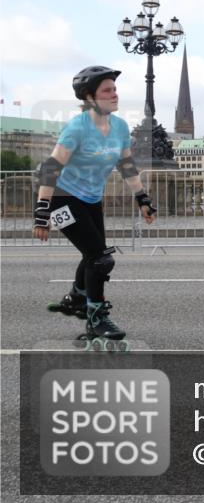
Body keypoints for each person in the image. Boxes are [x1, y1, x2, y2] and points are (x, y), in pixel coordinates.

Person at [36, 66, 157, 342]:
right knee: (100, 259)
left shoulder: (120, 127)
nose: (115, 94)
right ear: (90, 97)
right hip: (62, 199)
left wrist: (142, 198)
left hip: (90, 199)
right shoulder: (77, 127)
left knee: (94, 255)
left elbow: (126, 164)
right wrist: (42, 211)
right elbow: (52, 167)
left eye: (114, 89)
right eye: (107, 90)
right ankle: (96, 319)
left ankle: (77, 298)